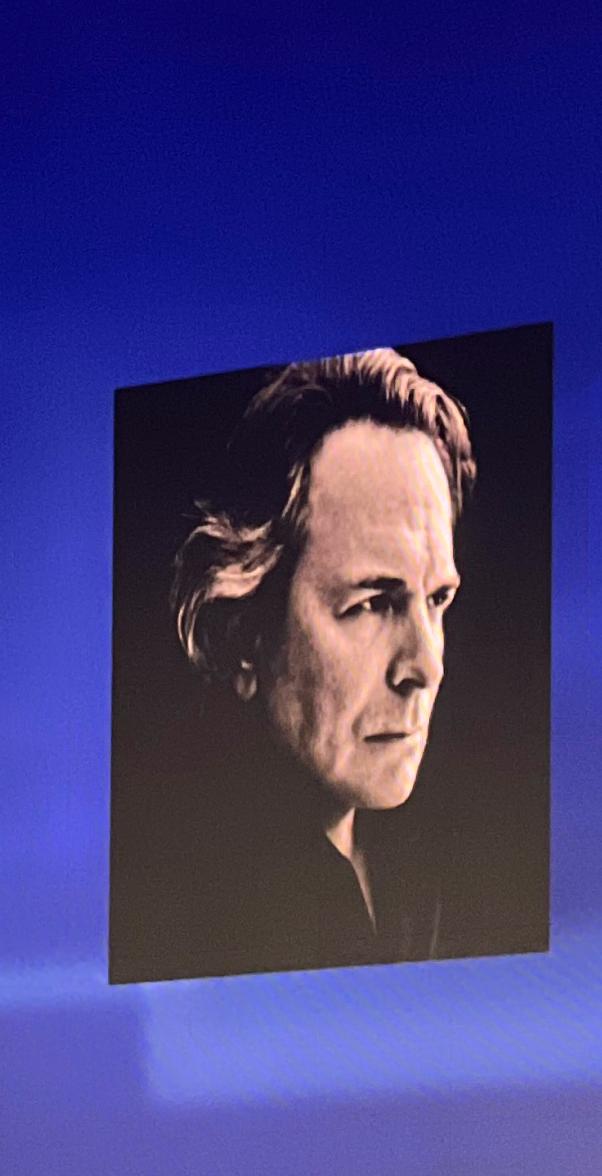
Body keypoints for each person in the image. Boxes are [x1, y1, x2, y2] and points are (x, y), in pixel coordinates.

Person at [111, 349, 475, 983]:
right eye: (372, 604)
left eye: (437, 600)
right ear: (245, 629)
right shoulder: (179, 913)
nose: (426, 666)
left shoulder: (434, 866)